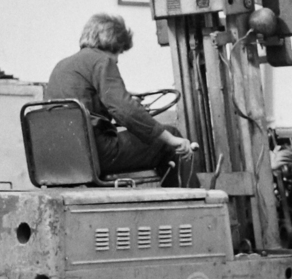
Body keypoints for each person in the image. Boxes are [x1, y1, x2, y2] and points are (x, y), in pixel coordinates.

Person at [47, 13, 194, 182]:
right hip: (95, 153)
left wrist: (127, 100)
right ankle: (195, 202)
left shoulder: (63, 65)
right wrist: (171, 139)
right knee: (170, 136)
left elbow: (90, 104)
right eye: (118, 52)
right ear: (111, 41)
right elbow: (125, 111)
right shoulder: (101, 61)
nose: (117, 60)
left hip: (61, 157)